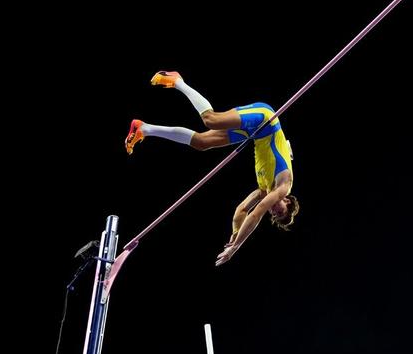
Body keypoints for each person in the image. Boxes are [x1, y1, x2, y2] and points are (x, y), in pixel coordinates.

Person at [125, 71, 299, 265]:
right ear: (288, 201)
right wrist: (236, 247)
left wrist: (235, 233)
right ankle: (177, 81)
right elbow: (256, 213)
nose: (274, 210)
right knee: (211, 119)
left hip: (255, 134)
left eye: (274, 215)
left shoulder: (263, 190)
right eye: (280, 210)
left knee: (201, 142)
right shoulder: (284, 186)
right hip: (265, 121)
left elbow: (242, 209)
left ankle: (144, 128)